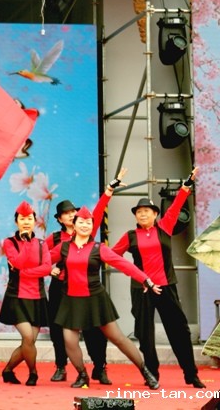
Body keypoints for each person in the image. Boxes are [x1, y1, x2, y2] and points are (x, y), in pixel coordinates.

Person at [111, 167, 205, 388]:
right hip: (142, 289)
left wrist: (187, 183)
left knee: (179, 330)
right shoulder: (130, 236)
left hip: (166, 286)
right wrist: (132, 272)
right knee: (145, 335)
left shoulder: (164, 227)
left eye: (147, 211)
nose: (142, 214)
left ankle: (191, 374)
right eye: (139, 212)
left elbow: (176, 205)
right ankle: (152, 374)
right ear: (135, 216)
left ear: (155, 214)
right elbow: (112, 256)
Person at [50, 205, 161, 390]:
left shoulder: (98, 248)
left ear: (92, 226)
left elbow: (123, 264)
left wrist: (145, 279)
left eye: (88, 223)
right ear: (74, 225)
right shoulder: (63, 247)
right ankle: (82, 375)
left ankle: (145, 371)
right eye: (81, 222)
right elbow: (42, 259)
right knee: (69, 340)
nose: (85, 225)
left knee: (118, 338)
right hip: (70, 299)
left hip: (95, 299)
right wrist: (43, 268)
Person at [45, 168, 126, 385]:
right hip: (61, 288)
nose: (72, 215)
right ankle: (61, 367)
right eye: (67, 213)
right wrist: (49, 269)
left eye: (74, 211)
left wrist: (109, 190)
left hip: (87, 288)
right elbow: (41, 258)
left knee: (94, 330)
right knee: (58, 330)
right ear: (60, 219)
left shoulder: (86, 230)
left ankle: (100, 367)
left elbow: (98, 211)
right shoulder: (54, 238)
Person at [0, 201, 51, 386]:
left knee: (29, 342)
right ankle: (33, 373)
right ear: (17, 222)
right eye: (22, 219)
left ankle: (7, 370)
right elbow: (18, 262)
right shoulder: (9, 242)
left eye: (29, 219)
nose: (26, 222)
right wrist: (27, 243)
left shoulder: (42, 243)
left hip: (37, 296)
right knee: (28, 337)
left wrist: (24, 273)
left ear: (35, 221)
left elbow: (47, 268)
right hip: (17, 297)